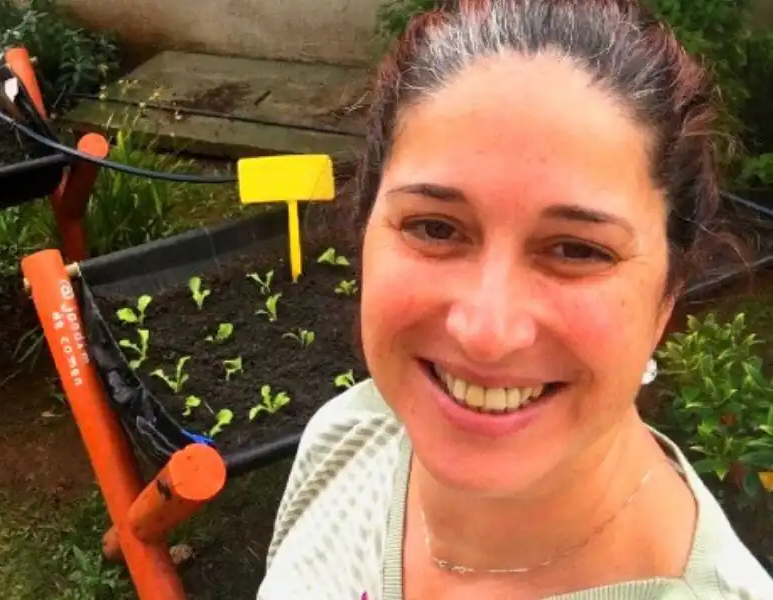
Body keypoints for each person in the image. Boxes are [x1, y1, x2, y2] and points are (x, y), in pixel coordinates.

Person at [257, 0, 773, 598]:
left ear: (667, 295)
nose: (486, 330)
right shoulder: (350, 436)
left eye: (578, 251)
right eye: (435, 228)